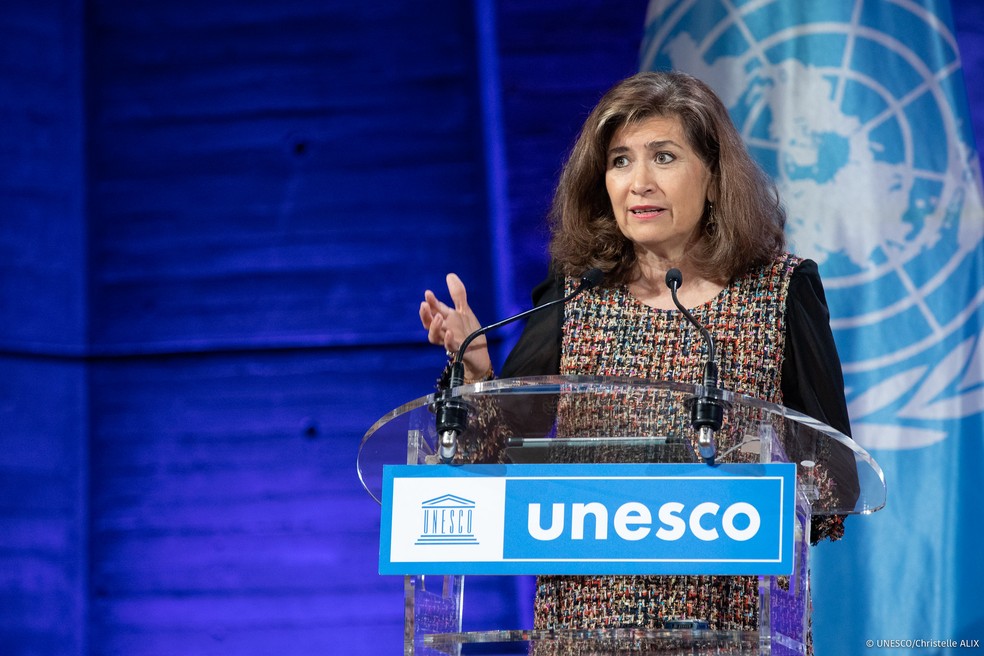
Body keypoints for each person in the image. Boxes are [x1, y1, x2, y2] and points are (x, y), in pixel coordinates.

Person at [419, 70, 853, 638]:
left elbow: (835, 476)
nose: (638, 182)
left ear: (715, 178)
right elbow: (495, 450)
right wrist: (477, 375)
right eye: (620, 161)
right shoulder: (578, 291)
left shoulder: (780, 290)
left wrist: (756, 494)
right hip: (587, 626)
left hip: (735, 625)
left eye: (664, 157)